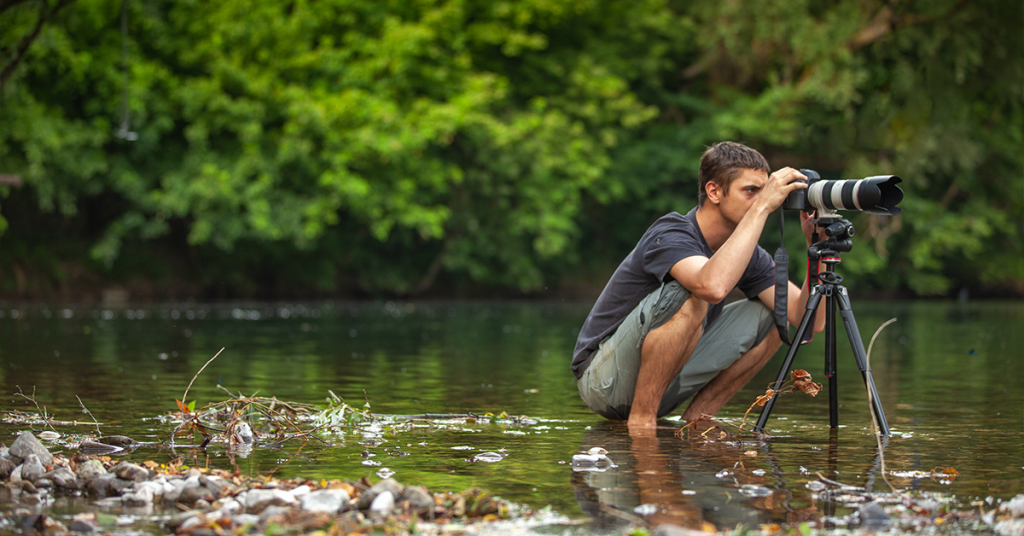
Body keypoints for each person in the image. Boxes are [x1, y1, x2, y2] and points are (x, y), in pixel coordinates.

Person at [572, 141, 825, 431]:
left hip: (664, 384)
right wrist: (763, 207)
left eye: (764, 191)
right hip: (603, 381)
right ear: (714, 191)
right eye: (750, 191)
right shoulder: (671, 232)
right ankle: (641, 426)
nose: (761, 200)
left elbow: (808, 320)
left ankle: (699, 421)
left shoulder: (750, 255)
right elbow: (712, 286)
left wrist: (815, 249)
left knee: (775, 316)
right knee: (690, 292)